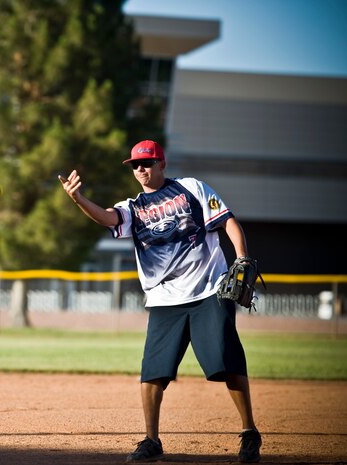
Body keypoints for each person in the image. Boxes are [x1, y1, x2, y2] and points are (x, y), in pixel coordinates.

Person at [58, 140, 262, 463]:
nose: (140, 169)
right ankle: (152, 439)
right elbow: (108, 218)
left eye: (147, 162)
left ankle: (249, 432)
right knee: (152, 371)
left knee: (226, 358)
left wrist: (242, 257)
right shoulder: (134, 207)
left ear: (161, 163)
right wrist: (78, 199)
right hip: (164, 299)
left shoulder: (191, 188)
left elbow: (227, 221)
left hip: (209, 290)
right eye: (135, 165)